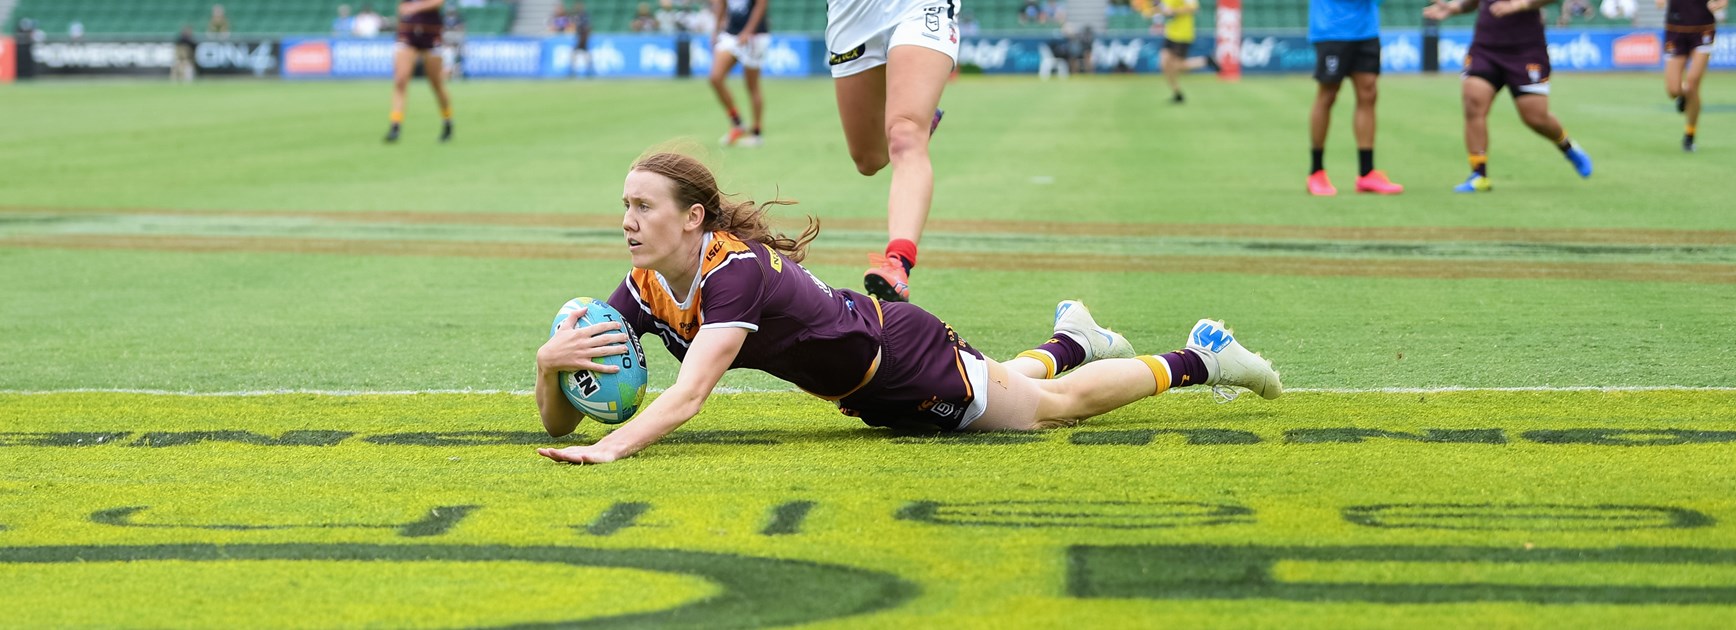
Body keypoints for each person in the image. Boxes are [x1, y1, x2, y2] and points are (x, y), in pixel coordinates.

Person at [532, 152, 1284, 465]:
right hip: (871, 382)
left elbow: (690, 394)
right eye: (624, 205)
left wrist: (610, 449)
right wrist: (547, 366)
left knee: (1048, 410)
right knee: (1004, 384)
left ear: (692, 217)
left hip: (900, 360)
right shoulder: (641, 289)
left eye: (643, 205)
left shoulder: (733, 271)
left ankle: (1203, 358)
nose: (627, 220)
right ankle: (1074, 339)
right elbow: (561, 420)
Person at [826, 0, 957, 304]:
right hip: (852, 13)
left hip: (918, 6)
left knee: (904, 137)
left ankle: (897, 263)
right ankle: (918, 122)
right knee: (868, 159)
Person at [1424, 0, 1593, 192]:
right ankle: (1479, 175)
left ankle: (1567, 147)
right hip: (1485, 47)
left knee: (1535, 118)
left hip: (1526, 50)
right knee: (1473, 102)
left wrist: (1519, 5)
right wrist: (1453, 8)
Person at [1306, 0, 1404, 196]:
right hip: (1332, 28)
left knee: (1368, 92)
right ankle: (1316, 171)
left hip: (1366, 30)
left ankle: (1366, 173)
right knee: (1328, 94)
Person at [384, 0, 454, 143]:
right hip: (408, 31)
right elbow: (402, 6)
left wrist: (415, 7)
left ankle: (447, 120)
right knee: (400, 80)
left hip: (431, 31)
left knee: (436, 83)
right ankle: (395, 125)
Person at [1659, 0, 1725, 152]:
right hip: (1675, 30)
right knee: (1673, 90)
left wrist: (1720, 4)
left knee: (1692, 83)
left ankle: (1690, 134)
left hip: (1703, 29)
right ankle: (1683, 95)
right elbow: (1659, 3)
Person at [710, 0, 770, 148]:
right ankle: (737, 123)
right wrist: (716, 30)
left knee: (752, 86)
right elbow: (721, 4)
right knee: (715, 78)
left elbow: (761, 5)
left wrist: (748, 31)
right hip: (730, 33)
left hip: (755, 35)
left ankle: (756, 133)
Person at [1156, 0, 1197, 103]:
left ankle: (1206, 61)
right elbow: (1164, 9)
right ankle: (1177, 93)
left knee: (1178, 65)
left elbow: (1193, 8)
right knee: (1164, 64)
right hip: (1170, 33)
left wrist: (1174, 11)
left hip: (1183, 35)